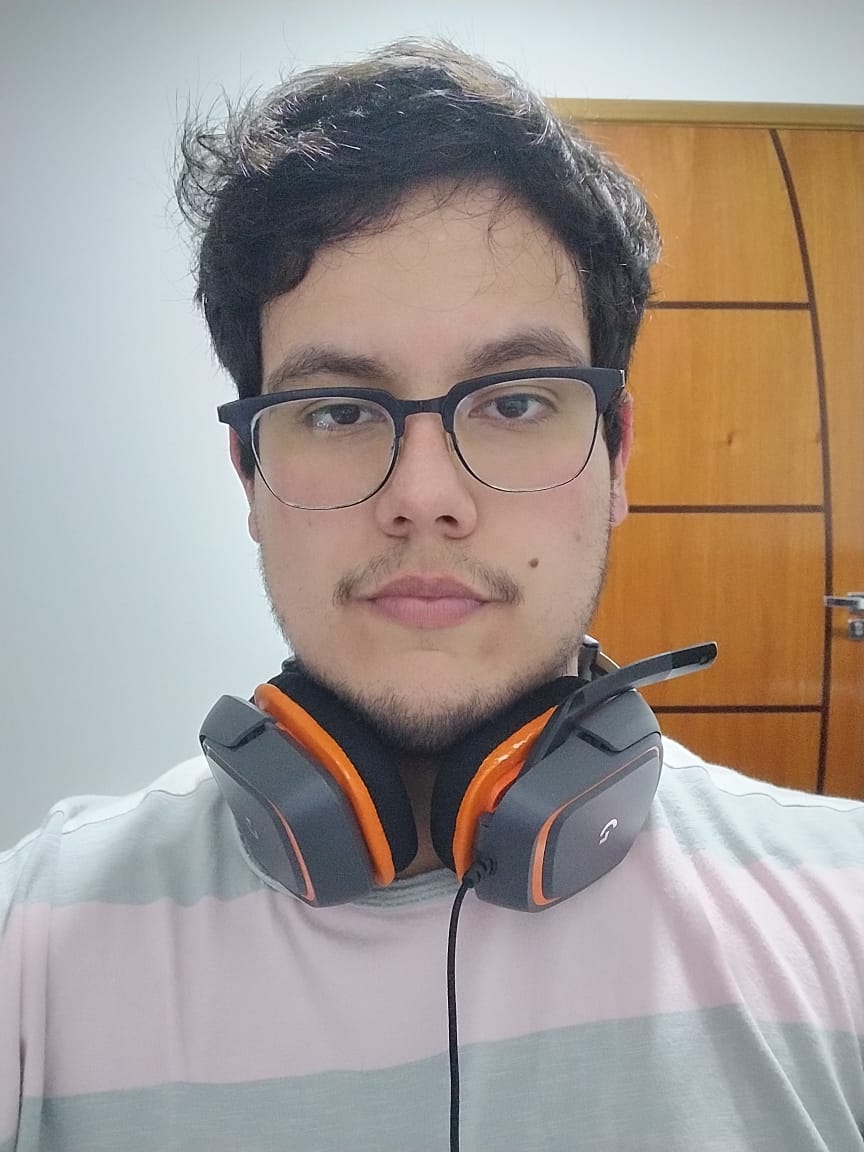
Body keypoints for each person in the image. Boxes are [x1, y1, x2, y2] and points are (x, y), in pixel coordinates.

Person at [2, 38, 862, 1152]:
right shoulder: (37, 936)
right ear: (249, 477)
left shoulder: (843, 917)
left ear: (615, 455)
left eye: (514, 402)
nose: (424, 499)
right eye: (337, 410)